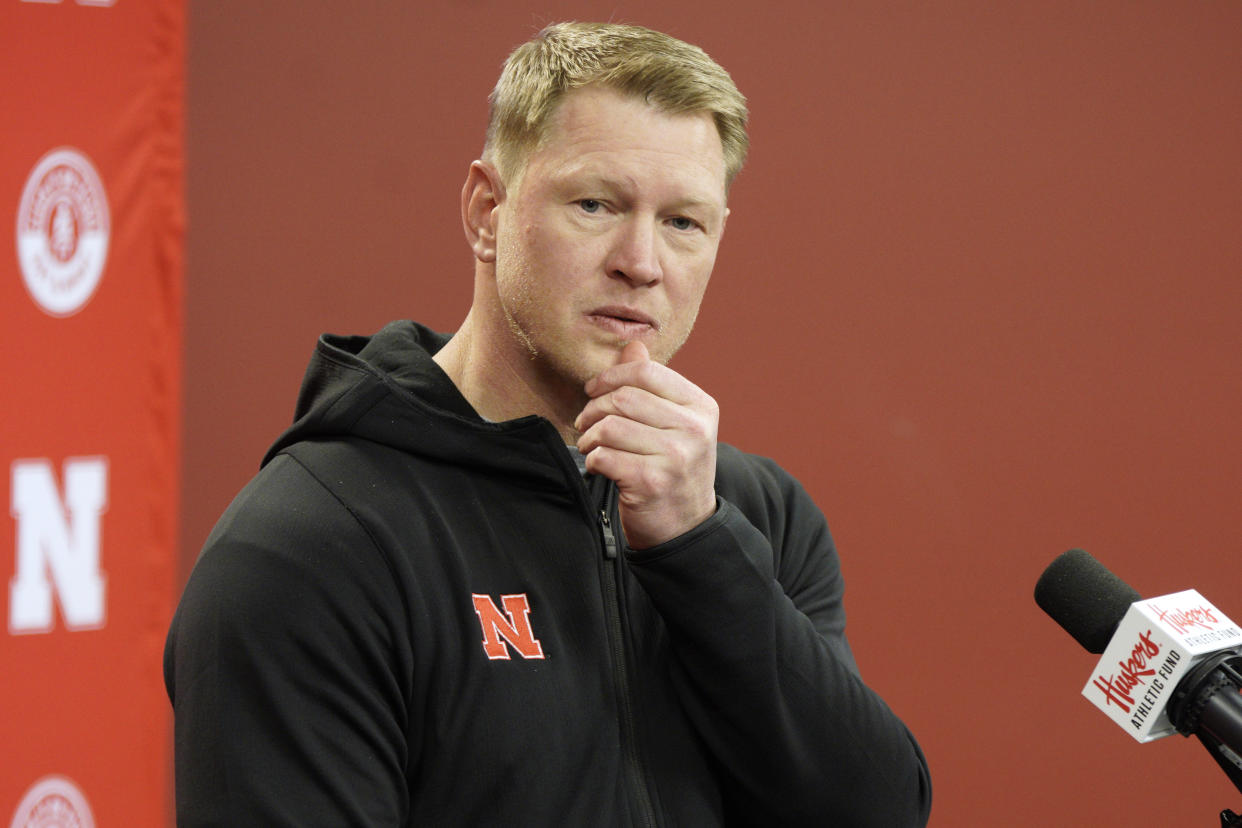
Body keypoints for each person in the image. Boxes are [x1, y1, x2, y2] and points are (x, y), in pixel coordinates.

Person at [164, 21, 932, 826]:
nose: (642, 262)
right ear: (487, 211)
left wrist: (696, 547)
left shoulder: (753, 515)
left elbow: (878, 812)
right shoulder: (306, 548)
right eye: (596, 204)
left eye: (683, 223)